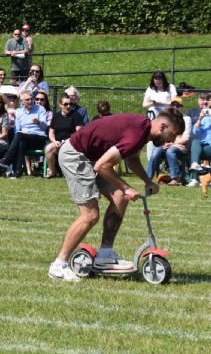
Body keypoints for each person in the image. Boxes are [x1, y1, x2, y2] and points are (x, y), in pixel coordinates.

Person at [48, 108, 185, 282]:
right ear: (163, 126)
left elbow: (132, 158)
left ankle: (105, 254)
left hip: (91, 157)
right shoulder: (137, 134)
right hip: (76, 155)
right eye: (172, 134)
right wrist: (126, 188)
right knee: (90, 216)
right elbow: (101, 166)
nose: (171, 141)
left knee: (119, 196)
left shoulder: (143, 130)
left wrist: (147, 181)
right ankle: (59, 265)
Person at [0, 91, 48, 178]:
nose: (30, 101)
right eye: (27, 100)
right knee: (21, 142)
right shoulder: (19, 112)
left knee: (19, 136)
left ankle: (6, 160)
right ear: (22, 101)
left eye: (31, 99)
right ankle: (18, 173)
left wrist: (38, 122)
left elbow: (45, 127)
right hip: (25, 138)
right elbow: (17, 130)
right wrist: (22, 133)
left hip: (39, 138)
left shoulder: (40, 109)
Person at [146, 97, 191, 185]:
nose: (175, 107)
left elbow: (186, 138)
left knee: (170, 151)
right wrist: (166, 143)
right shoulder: (168, 119)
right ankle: (148, 177)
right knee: (156, 151)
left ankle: (175, 178)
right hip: (167, 143)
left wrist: (171, 143)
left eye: (178, 105)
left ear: (182, 107)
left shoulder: (186, 119)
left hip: (181, 146)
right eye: (173, 105)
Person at [45, 93, 83, 178]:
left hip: (71, 143)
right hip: (58, 144)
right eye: (66, 104)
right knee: (48, 148)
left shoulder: (76, 116)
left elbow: (79, 133)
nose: (68, 106)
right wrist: (54, 141)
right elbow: (51, 132)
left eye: (70, 104)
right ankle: (52, 171)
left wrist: (68, 141)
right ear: (60, 105)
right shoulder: (56, 116)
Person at [187, 93, 211, 188]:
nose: (206, 102)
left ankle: (199, 177)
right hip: (204, 146)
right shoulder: (204, 117)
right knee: (195, 141)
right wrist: (200, 118)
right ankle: (194, 178)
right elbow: (195, 131)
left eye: (208, 100)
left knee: (196, 148)